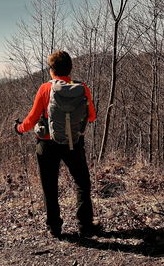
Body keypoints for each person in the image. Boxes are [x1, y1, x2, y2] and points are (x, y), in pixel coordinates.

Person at [14, 50, 98, 237]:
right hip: (73, 142)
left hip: (47, 144)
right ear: (70, 69)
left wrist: (19, 128)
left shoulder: (45, 89)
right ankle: (85, 226)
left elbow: (31, 119)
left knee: (49, 185)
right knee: (82, 183)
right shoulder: (82, 88)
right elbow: (91, 116)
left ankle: (55, 227)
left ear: (51, 69)